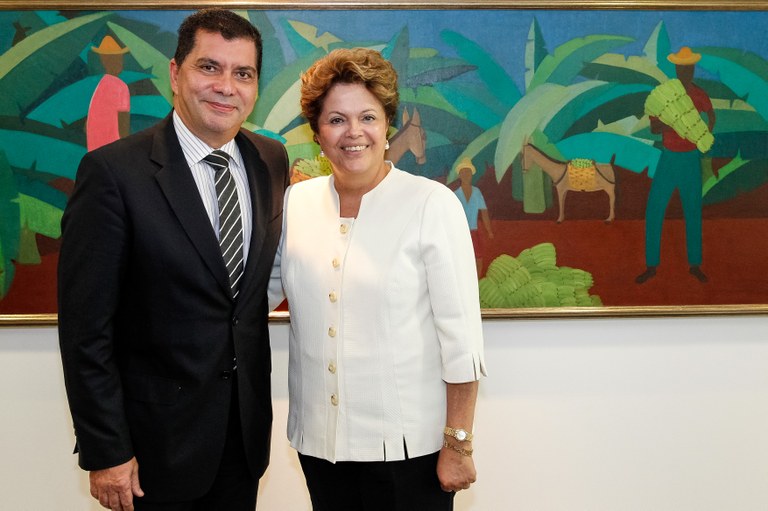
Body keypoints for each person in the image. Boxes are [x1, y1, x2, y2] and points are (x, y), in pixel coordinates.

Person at [58, 9, 289, 510]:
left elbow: (242, 302)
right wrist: (107, 449)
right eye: (209, 67)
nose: (226, 86)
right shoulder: (112, 173)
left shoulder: (270, 160)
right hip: (152, 450)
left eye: (243, 73)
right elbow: (85, 330)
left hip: (243, 440)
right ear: (175, 73)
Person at [269, 47, 487, 510]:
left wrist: (459, 443)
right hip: (319, 446)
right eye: (336, 119)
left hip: (408, 452)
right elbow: (253, 298)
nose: (354, 132)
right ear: (317, 133)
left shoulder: (431, 204)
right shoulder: (294, 204)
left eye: (367, 117)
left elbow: (462, 340)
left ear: (387, 125)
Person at [636, 46, 715, 284]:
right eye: (682, 68)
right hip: (669, 158)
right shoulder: (664, 96)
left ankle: (695, 265)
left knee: (693, 210)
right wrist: (675, 122)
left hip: (690, 158)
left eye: (689, 68)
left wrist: (702, 134)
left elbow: (711, 115)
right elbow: (654, 128)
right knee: (655, 209)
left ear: (693, 69)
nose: (685, 72)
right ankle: (651, 265)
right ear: (677, 69)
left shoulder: (699, 94)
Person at [87, 35, 131, 151]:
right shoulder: (120, 87)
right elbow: (123, 129)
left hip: (96, 153)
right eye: (117, 58)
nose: (120, 62)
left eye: (120, 58)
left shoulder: (101, 85)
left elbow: (87, 126)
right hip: (113, 152)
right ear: (105, 61)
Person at [455, 157, 494, 277]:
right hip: (460, 233)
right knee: (461, 259)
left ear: (471, 175)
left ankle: (477, 283)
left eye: (468, 172)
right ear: (459, 175)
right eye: (463, 172)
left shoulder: (477, 192)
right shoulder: (455, 194)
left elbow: (484, 213)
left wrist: (489, 231)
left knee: (478, 259)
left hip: (474, 232)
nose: (466, 175)